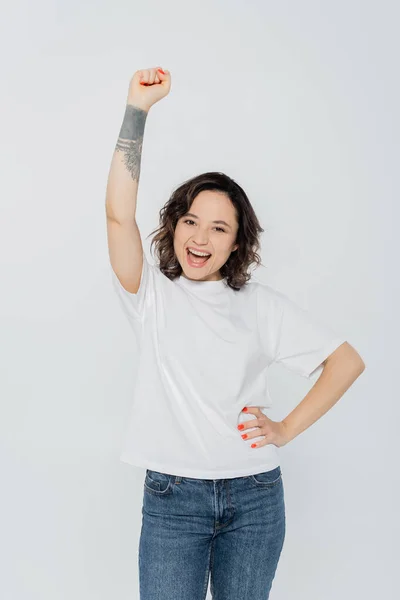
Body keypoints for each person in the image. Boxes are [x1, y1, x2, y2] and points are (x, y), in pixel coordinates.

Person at [105, 67, 365, 600]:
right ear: (174, 225)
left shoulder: (261, 306)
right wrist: (138, 110)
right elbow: (116, 217)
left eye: (219, 228)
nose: (200, 238)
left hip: (255, 498)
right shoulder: (150, 295)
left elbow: (346, 361)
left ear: (236, 242)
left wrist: (286, 429)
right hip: (173, 499)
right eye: (190, 221)